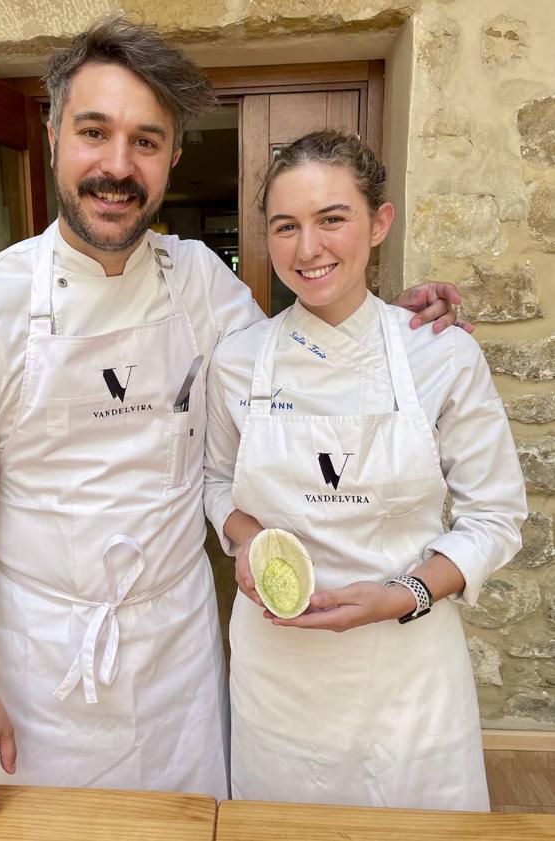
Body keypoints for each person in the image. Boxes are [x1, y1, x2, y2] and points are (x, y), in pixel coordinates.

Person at [0, 19, 466, 833]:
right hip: (42, 651)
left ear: (172, 157)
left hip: (178, 645)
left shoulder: (201, 283)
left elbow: (305, 349)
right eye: (95, 132)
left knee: (188, 822)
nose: (117, 166)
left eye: (146, 140)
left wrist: (398, 318)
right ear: (54, 133)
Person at [204, 130, 527, 812]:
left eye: (332, 219)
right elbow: (214, 483)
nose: (308, 248)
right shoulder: (237, 360)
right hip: (278, 666)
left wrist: (402, 594)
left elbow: (496, 516)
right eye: (285, 226)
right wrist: (248, 536)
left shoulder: (441, 357)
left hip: (406, 666)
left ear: (379, 222)